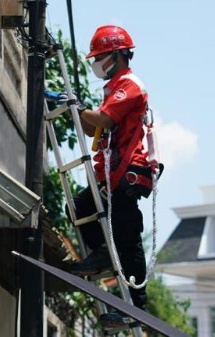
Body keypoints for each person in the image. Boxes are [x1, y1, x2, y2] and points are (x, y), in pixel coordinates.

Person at [66, 24, 156, 326]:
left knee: (128, 238)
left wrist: (76, 107)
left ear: (117, 56)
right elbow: (95, 126)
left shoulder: (129, 85)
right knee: (79, 208)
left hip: (126, 172)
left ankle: (137, 310)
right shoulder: (113, 89)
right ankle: (104, 253)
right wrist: (75, 110)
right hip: (110, 173)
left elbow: (103, 119)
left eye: (100, 57)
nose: (95, 63)